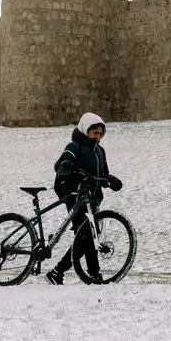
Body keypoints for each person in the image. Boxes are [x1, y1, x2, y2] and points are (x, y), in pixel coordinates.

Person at [45, 112, 122, 285]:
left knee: (90, 234)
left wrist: (111, 181)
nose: (97, 136)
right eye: (94, 132)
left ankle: (91, 275)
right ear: (85, 130)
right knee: (86, 234)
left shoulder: (100, 151)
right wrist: (67, 165)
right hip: (75, 194)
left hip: (92, 197)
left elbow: (103, 174)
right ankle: (60, 272)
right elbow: (61, 164)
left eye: (100, 134)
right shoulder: (74, 146)